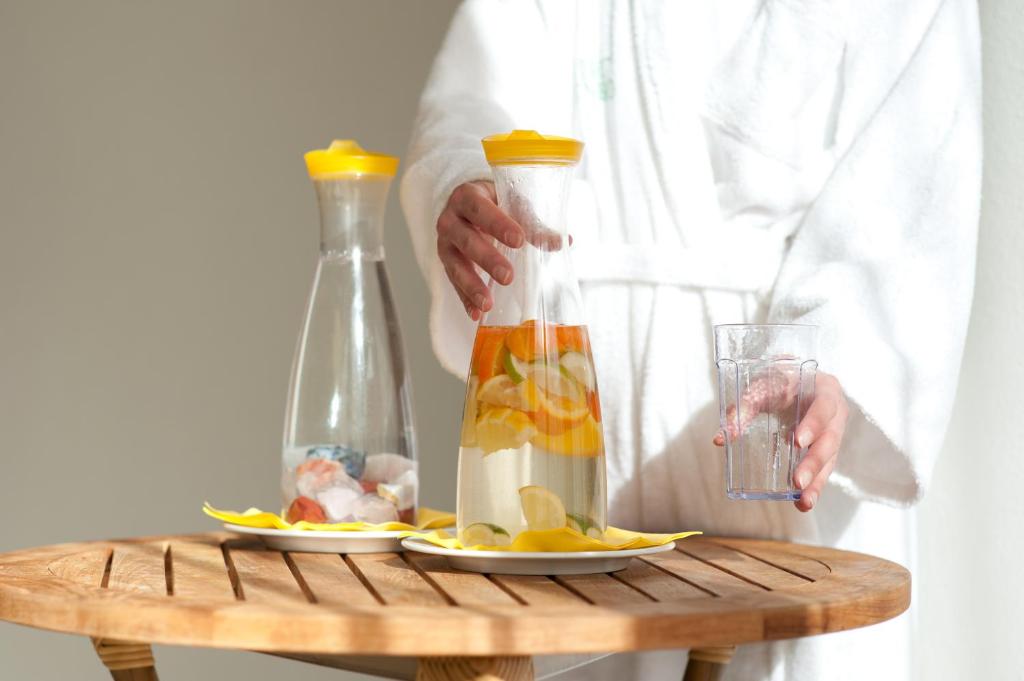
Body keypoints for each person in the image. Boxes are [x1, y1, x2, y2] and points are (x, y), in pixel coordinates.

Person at [401, 1, 981, 679]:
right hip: (576, 500)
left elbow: (910, 200)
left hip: (795, 501)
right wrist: (467, 182)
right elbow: (476, 94)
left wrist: (827, 359)